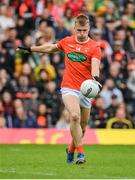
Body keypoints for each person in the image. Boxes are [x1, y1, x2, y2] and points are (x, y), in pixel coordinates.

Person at [16, 13, 102, 164]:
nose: (82, 33)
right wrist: (31, 49)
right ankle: (81, 154)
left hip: (86, 89)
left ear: (89, 29)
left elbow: (95, 65)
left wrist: (95, 79)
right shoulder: (67, 42)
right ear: (74, 28)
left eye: (85, 30)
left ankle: (71, 149)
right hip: (69, 87)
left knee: (82, 129)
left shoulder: (94, 46)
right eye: (79, 30)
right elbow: (50, 48)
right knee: (74, 116)